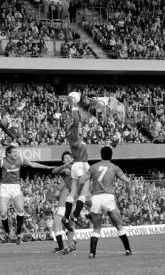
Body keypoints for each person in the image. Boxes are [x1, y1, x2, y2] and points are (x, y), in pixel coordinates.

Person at [0, 145, 54, 245]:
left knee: (20, 209)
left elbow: (32, 164)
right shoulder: (2, 161)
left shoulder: (19, 160)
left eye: (16, 151)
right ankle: (7, 231)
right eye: (14, 152)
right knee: (3, 213)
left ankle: (18, 233)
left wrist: (47, 167)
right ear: (8, 154)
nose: (16, 153)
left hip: (15, 187)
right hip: (5, 188)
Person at [78, 146, 133, 258]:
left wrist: (80, 194)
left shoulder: (93, 167)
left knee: (97, 228)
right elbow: (127, 180)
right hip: (108, 198)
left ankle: (92, 253)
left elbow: (82, 180)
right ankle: (128, 250)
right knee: (118, 225)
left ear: (101, 154)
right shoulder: (114, 167)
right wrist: (129, 194)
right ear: (111, 155)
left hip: (96, 199)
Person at [61, 95, 90, 232]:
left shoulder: (76, 135)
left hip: (75, 166)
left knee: (72, 193)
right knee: (84, 192)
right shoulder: (73, 134)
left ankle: (66, 217)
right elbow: (77, 120)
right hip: (82, 164)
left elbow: (77, 122)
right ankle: (76, 215)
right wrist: (74, 106)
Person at [51, 151, 77, 254]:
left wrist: (59, 189)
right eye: (65, 158)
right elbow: (54, 171)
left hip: (70, 197)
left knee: (58, 223)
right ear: (63, 161)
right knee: (64, 223)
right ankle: (70, 243)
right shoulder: (65, 169)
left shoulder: (74, 168)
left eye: (69, 157)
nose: (67, 158)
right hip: (68, 197)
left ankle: (64, 246)